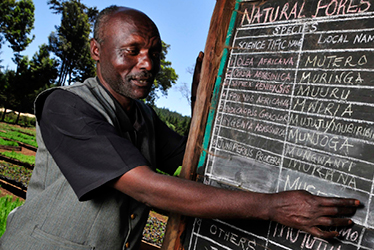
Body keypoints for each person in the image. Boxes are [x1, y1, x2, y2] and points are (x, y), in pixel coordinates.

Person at [0, 5, 360, 250]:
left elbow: (192, 162)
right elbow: (147, 186)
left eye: (154, 53)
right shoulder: (65, 105)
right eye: (132, 51)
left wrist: (201, 105)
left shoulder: (145, 117)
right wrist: (273, 207)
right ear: (96, 50)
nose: (147, 64)